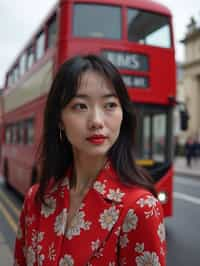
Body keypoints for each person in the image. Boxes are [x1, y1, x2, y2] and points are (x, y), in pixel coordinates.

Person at [14, 54, 166, 265]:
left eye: (110, 105)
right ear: (60, 119)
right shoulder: (36, 199)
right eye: (80, 106)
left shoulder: (141, 208)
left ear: (123, 115)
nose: (96, 121)